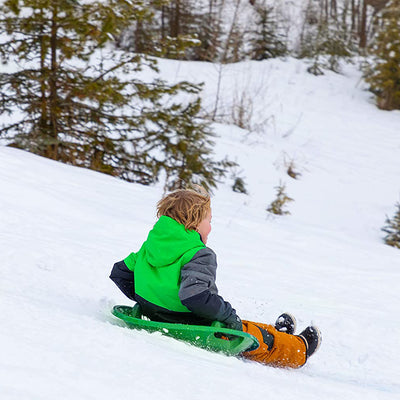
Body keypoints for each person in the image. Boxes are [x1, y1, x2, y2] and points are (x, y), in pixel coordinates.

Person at [110, 186, 321, 368]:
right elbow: (195, 296)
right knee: (250, 335)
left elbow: (120, 273)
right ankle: (298, 349)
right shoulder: (197, 253)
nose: (210, 227)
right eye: (209, 220)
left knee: (242, 324)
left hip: (157, 316)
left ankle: (281, 334)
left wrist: (149, 298)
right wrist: (228, 315)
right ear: (193, 223)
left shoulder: (151, 246)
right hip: (193, 323)